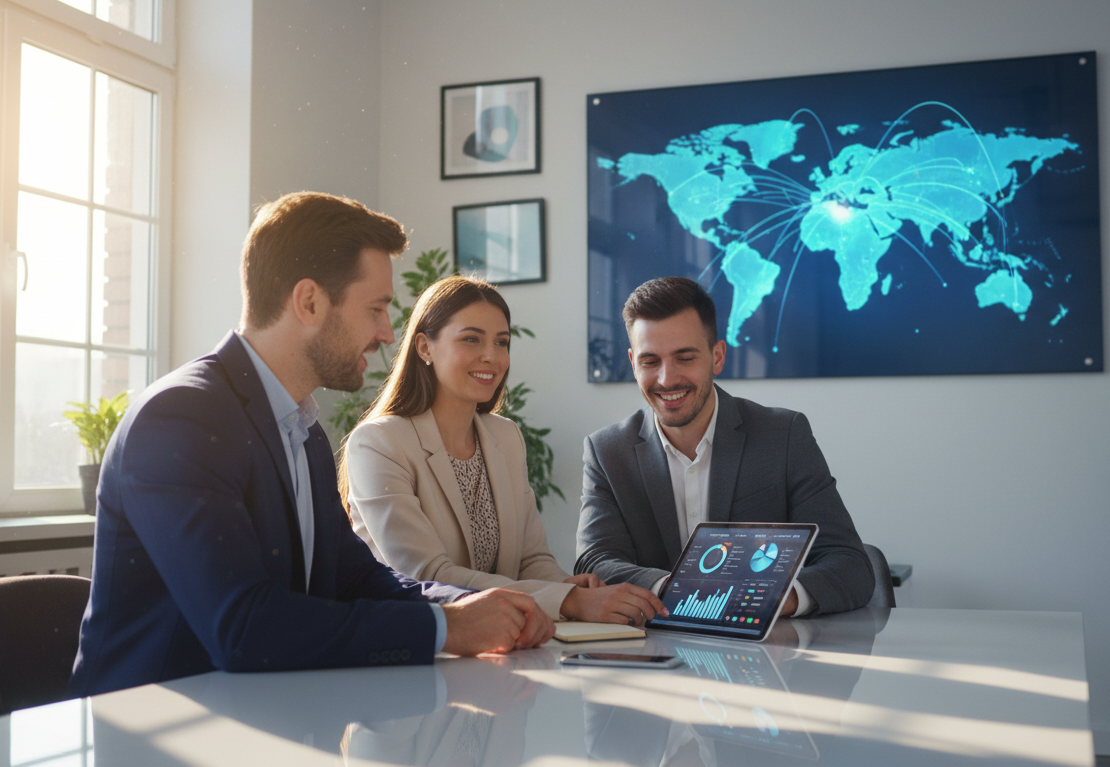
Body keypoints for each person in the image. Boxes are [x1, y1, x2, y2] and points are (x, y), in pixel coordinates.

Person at [68, 193, 554, 699]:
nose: (388, 334)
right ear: (309, 302)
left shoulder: (302, 428)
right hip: (154, 733)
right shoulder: (180, 418)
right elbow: (243, 627)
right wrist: (449, 629)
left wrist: (472, 607)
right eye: (376, 309)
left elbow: (356, 578)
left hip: (266, 716)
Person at [341, 276, 668, 627]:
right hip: (420, 648)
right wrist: (569, 600)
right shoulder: (378, 443)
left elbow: (531, 559)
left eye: (502, 342)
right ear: (424, 347)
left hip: (504, 647)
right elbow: (428, 574)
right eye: (471, 339)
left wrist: (562, 584)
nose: (491, 356)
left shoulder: (506, 436)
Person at [575, 277, 874, 617]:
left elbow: (850, 564)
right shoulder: (607, 452)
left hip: (769, 656)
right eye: (650, 361)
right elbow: (595, 563)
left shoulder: (784, 436)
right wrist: (676, 591)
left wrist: (778, 598)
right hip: (653, 654)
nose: (666, 379)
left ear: (717, 357)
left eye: (685, 358)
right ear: (633, 363)